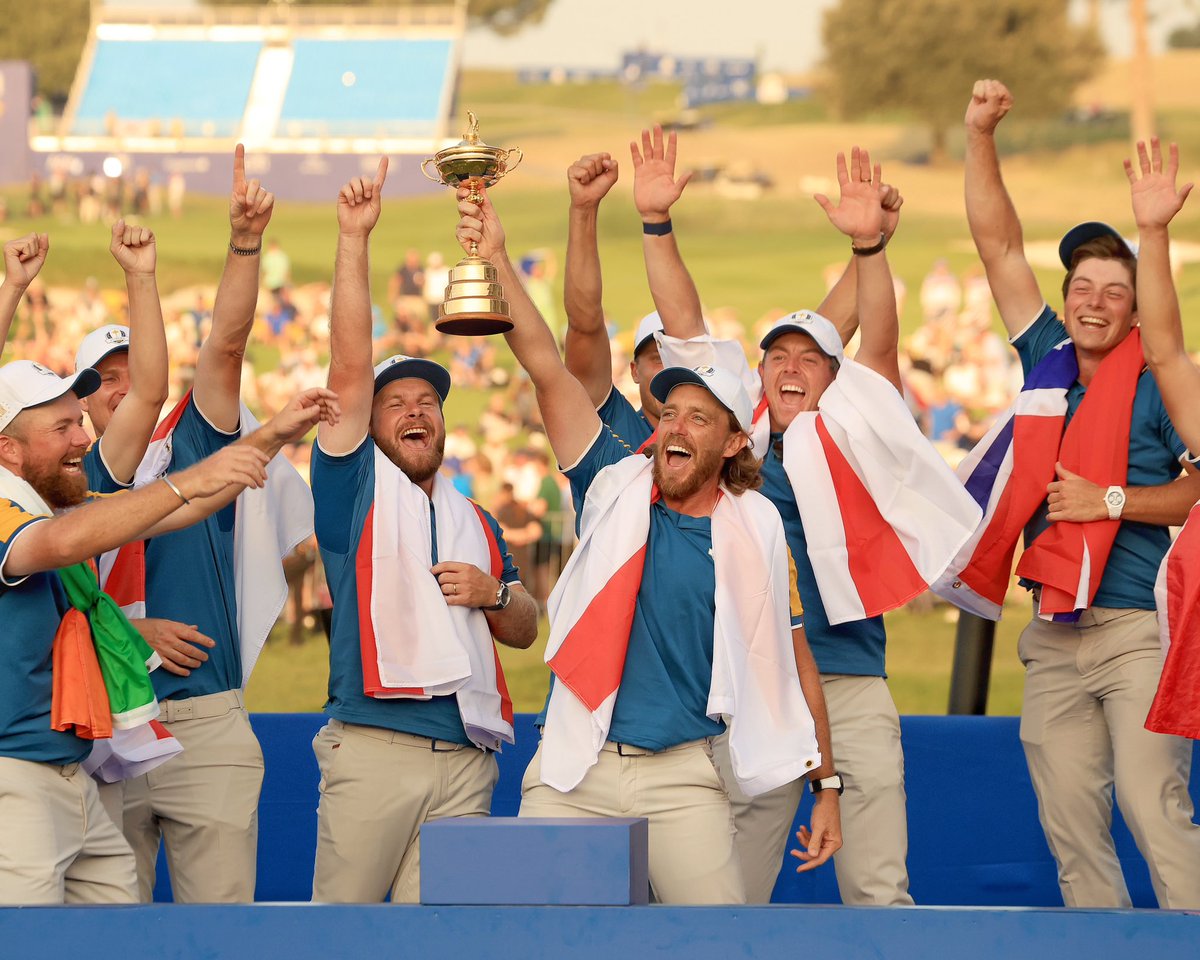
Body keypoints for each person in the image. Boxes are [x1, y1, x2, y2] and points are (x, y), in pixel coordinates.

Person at [455, 179, 841, 905]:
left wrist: (829, 785)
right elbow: (545, 363)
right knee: (525, 933)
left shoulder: (755, 529)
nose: (675, 426)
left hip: (683, 775)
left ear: (732, 444)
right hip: (577, 764)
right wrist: (500, 259)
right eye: (670, 412)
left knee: (719, 940)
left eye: (699, 418)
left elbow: (795, 662)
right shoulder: (614, 481)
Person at [632, 131, 948, 907]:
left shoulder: (858, 432)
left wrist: (869, 248)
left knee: (879, 888)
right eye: (777, 358)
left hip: (851, 679)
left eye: (810, 360)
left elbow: (876, 337)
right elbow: (684, 326)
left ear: (837, 380)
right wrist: (655, 225)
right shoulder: (734, 448)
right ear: (756, 380)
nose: (792, 368)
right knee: (728, 893)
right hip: (756, 683)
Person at [957, 78, 1200, 909]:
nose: (1092, 303)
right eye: (1081, 289)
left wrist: (1113, 501)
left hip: (1137, 630)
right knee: (1068, 821)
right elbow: (996, 247)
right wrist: (979, 136)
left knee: (1151, 805)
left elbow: (1196, 495)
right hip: (1055, 631)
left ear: (1137, 312)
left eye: (1113, 292)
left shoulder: (1164, 383)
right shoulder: (1047, 369)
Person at [310, 160, 538, 904]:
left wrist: (494, 590)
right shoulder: (354, 489)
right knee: (339, 941)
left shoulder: (472, 516)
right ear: (368, 426)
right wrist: (354, 240)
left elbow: (526, 627)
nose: (415, 411)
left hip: (467, 756)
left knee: (439, 941)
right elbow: (347, 367)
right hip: (375, 747)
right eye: (395, 402)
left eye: (428, 402)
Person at [0, 358, 288, 904]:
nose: (82, 437)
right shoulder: (12, 510)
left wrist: (276, 433)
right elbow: (59, 546)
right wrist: (192, 480)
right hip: (15, 778)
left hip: (67, 774)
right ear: (8, 449)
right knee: (26, 942)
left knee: (113, 925)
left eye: (76, 422)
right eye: (61, 428)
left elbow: (175, 509)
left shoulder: (53, 504)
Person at [118, 145, 309, 904]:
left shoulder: (187, 442)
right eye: (98, 385)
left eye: (127, 375)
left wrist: (244, 243)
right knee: (95, 938)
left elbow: (224, 346)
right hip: (100, 723)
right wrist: (133, 633)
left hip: (205, 718)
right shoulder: (63, 484)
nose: (117, 392)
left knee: (224, 937)